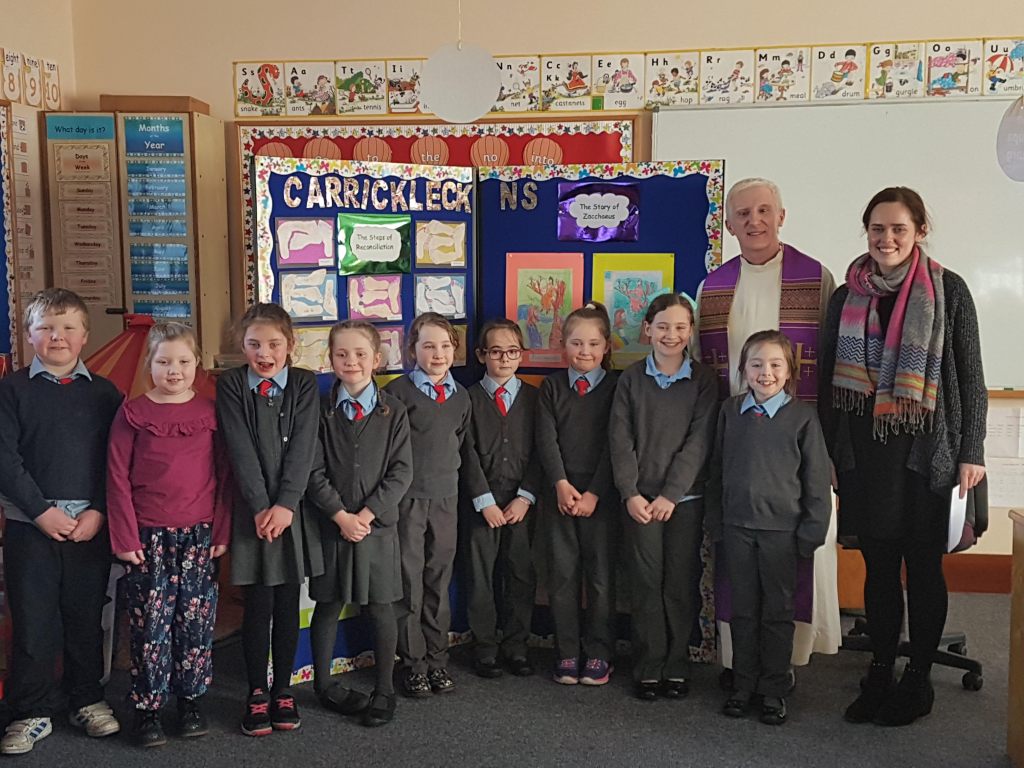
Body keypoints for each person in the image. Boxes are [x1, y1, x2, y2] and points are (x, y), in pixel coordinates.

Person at [818, 187, 987, 727]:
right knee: (880, 566)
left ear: (919, 231)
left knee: (924, 565)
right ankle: (880, 671)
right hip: (865, 455)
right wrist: (827, 452)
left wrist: (971, 452)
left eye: (898, 229)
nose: (886, 239)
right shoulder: (847, 295)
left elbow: (971, 378)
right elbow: (828, 382)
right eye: (877, 229)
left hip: (927, 453)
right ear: (866, 231)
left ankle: (917, 680)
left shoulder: (948, 290)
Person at [693, 177, 840, 679]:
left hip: (795, 448)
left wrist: (828, 452)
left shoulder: (816, 278)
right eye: (742, 214)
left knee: (791, 563)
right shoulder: (711, 286)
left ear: (781, 216)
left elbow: (833, 366)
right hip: (737, 445)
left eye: (763, 211)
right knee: (737, 564)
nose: (754, 221)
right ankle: (737, 660)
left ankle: (786, 662)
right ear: (728, 224)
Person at [0, 288, 123, 755]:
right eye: (46, 328)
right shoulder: (11, 390)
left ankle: (86, 699)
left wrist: (99, 510)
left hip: (90, 526)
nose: (58, 336)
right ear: (29, 335)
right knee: (33, 620)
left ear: (85, 336)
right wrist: (40, 511)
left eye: (69, 327)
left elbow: (117, 462)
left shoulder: (105, 393)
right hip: (30, 525)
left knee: (85, 617)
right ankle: (30, 710)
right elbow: (6, 460)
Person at [106, 322, 230, 747]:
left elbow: (224, 476)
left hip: (199, 536)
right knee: (150, 626)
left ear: (197, 364)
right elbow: (116, 478)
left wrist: (221, 529)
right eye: (163, 362)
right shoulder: (132, 413)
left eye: (182, 361)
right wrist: (125, 537)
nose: (173, 370)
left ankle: (190, 701)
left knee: (195, 624)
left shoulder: (210, 413)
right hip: (148, 538)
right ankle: (148, 708)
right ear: (150, 364)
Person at [706, 330, 831, 726]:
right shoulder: (730, 412)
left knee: (777, 613)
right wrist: (716, 522)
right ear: (743, 370)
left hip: (783, 534)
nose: (766, 373)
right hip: (737, 528)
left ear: (789, 371)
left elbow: (816, 483)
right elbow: (716, 470)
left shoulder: (803, 417)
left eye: (776, 365)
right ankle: (743, 683)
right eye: (756, 364)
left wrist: (811, 534)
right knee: (742, 610)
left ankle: (774, 688)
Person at [216, 303, 323, 736]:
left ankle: (283, 690)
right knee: (258, 603)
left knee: (287, 601)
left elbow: (304, 446)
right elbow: (239, 447)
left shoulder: (304, 383)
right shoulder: (231, 385)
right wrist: (262, 505)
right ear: (241, 345)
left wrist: (286, 504)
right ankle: (256, 691)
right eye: (254, 344)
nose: (265, 353)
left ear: (290, 345)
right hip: (253, 513)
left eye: (274, 344)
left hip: (292, 512)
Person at [608, 294, 718, 700]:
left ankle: (676, 665)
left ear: (691, 331)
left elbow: (699, 442)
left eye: (680, 327)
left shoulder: (704, 381)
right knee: (645, 583)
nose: (671, 335)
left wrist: (671, 495)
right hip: (639, 502)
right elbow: (620, 441)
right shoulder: (630, 379)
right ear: (647, 330)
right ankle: (649, 666)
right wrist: (630, 493)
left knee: (679, 583)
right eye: (663, 326)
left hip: (684, 501)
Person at [306, 321, 412, 727]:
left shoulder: (394, 411)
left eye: (360, 354)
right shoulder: (320, 410)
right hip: (332, 525)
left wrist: (364, 516)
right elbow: (312, 471)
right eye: (341, 354)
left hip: (376, 528)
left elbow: (401, 472)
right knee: (328, 603)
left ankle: (384, 690)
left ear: (377, 359)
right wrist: (340, 516)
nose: (351, 361)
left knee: (381, 606)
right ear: (330, 359)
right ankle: (323, 685)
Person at [385, 312, 474, 698]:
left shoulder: (461, 396)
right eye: (428, 346)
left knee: (438, 578)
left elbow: (460, 443)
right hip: (408, 501)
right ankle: (414, 663)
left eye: (445, 345)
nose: (438, 354)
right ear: (412, 350)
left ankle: (438, 660)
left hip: (446, 499)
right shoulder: (397, 394)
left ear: (455, 349)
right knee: (410, 582)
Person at [535, 302, 619, 686]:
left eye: (593, 344)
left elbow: (616, 444)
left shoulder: (617, 388)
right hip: (560, 495)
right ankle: (567, 651)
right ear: (563, 344)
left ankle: (599, 652)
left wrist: (594, 493)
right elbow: (546, 438)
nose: (585, 351)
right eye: (576, 343)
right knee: (562, 576)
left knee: (600, 579)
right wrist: (560, 483)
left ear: (606, 347)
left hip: (601, 496)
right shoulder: (552, 387)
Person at [462, 319, 542, 679]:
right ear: (482, 355)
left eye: (512, 351)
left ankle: (516, 646)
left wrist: (525, 497)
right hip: (481, 503)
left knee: (520, 573)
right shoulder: (468, 399)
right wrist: (484, 500)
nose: (505, 359)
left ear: (522, 354)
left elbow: (543, 452)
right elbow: (466, 453)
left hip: (521, 503)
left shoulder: (535, 399)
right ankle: (484, 648)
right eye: (496, 352)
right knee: (480, 576)